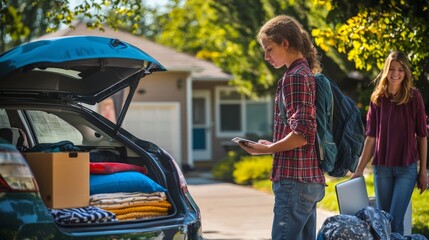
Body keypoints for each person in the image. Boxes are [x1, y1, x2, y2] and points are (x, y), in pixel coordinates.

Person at [237, 15, 325, 240]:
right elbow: (303, 129)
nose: (266, 57)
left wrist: (267, 149)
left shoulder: (294, 77)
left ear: (285, 43)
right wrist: (273, 145)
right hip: (309, 179)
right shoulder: (306, 73)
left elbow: (303, 133)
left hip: (294, 180)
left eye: (269, 49)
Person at [351, 51, 428, 235]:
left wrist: (423, 171)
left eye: (400, 69)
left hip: (406, 169)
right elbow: (370, 137)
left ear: (406, 72)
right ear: (386, 70)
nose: (396, 73)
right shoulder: (378, 98)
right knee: (383, 220)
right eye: (392, 68)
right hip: (382, 168)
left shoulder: (414, 97)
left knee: (396, 219)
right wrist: (359, 170)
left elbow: (422, 136)